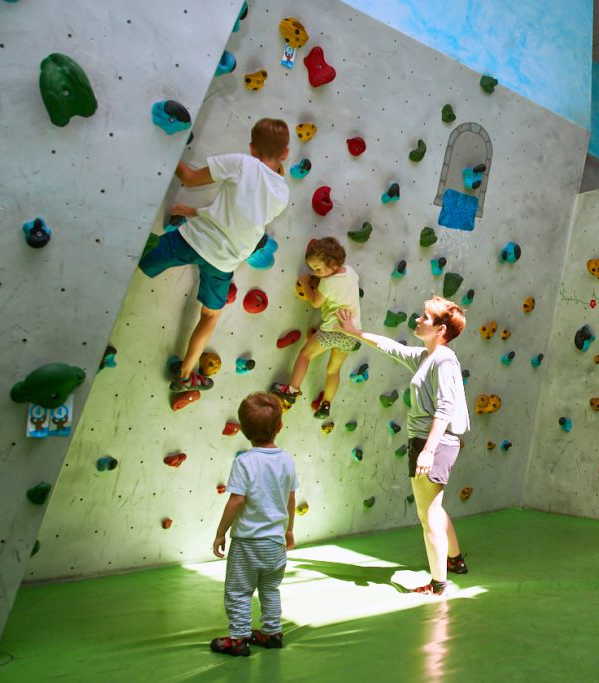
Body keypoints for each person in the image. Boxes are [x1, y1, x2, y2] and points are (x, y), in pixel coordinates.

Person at [139, 118, 290, 392]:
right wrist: (196, 212)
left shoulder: (244, 162)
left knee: (141, 260)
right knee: (210, 316)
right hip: (226, 259)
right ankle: (185, 374)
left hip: (194, 239)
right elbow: (241, 215)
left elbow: (188, 178)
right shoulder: (282, 194)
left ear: (252, 148)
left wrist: (162, 143)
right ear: (286, 154)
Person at [337, 297, 470, 594]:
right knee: (433, 508)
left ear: (440, 329)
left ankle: (438, 584)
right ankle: (455, 560)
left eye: (425, 317)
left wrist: (428, 450)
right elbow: (390, 347)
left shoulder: (444, 360)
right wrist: (353, 331)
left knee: (427, 516)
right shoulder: (426, 356)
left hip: (433, 442)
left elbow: (445, 408)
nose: (418, 320)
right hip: (428, 441)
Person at [210, 392, 299, 656]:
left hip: (248, 544)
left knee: (238, 592)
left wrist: (220, 533)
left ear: (244, 431)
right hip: (275, 544)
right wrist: (289, 530)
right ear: (280, 427)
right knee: (270, 589)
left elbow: (237, 501)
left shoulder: (244, 462)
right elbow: (291, 499)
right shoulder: (287, 460)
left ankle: (238, 639)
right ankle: (272, 633)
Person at [271, 237, 360, 418]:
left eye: (317, 269)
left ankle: (291, 391)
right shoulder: (350, 272)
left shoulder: (328, 283)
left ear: (332, 264)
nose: (315, 273)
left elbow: (315, 302)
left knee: (305, 355)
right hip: (352, 332)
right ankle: (326, 404)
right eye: (313, 270)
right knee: (333, 370)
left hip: (333, 330)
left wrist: (305, 281)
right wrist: (317, 276)